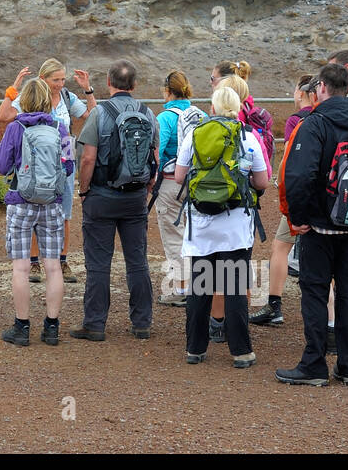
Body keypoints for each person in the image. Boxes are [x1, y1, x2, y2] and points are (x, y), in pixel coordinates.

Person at [278, 64, 348, 386]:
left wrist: (297, 219)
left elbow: (299, 176)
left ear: (322, 89)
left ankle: (314, 365)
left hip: (319, 226)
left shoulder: (314, 125)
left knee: (315, 292)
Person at [175, 84, 268, 368]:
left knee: (200, 286)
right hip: (235, 224)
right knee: (234, 287)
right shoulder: (249, 137)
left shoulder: (195, 133)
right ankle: (241, 352)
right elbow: (262, 182)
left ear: (212, 108)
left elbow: (179, 177)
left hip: (201, 224)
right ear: (238, 108)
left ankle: (195, 349)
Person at [71, 60, 158, 342]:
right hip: (135, 198)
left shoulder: (100, 114)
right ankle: (142, 323)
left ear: (109, 82)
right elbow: (154, 158)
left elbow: (88, 158)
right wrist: (146, 188)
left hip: (101, 196)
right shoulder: (148, 114)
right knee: (137, 261)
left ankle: (95, 324)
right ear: (134, 85)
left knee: (98, 262)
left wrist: (83, 191)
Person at [0, 58, 96, 283]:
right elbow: (3, 116)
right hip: (32, 167)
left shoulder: (67, 98)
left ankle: (62, 260)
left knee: (65, 214)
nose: (60, 84)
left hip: (60, 163)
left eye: (62, 79)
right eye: (56, 80)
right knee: (33, 213)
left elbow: (93, 116)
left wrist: (88, 89)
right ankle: (34, 263)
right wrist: (13, 89)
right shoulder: (29, 97)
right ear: (43, 79)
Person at [0, 78, 74, 346]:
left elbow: (1, 164)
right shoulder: (61, 128)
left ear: (24, 101)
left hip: (21, 201)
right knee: (53, 267)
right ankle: (51, 327)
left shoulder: (15, 128)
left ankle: (22, 327)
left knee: (21, 267)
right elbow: (69, 165)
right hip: (52, 203)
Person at [250, 75, 318, 327]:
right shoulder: (329, 118)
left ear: (303, 93)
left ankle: (274, 306)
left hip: (300, 197)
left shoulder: (296, 120)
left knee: (280, 247)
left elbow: (291, 160)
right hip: (328, 199)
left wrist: (282, 189)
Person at [152, 70, 198, 305]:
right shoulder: (199, 114)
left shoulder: (165, 117)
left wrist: (151, 180)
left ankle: (181, 290)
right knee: (195, 235)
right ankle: (198, 286)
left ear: (167, 91)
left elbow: (158, 153)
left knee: (173, 236)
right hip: (197, 184)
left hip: (170, 184)